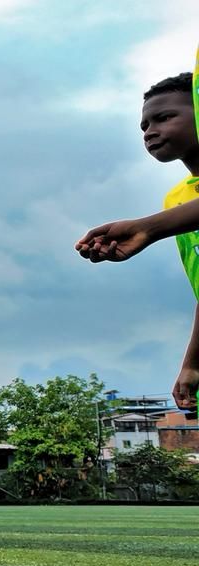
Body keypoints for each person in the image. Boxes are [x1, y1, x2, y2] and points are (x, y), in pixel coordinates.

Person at [74, 68, 199, 411]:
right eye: (144, 125)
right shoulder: (177, 201)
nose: (150, 131)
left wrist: (148, 228)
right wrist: (192, 363)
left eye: (165, 117)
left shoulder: (167, 217)